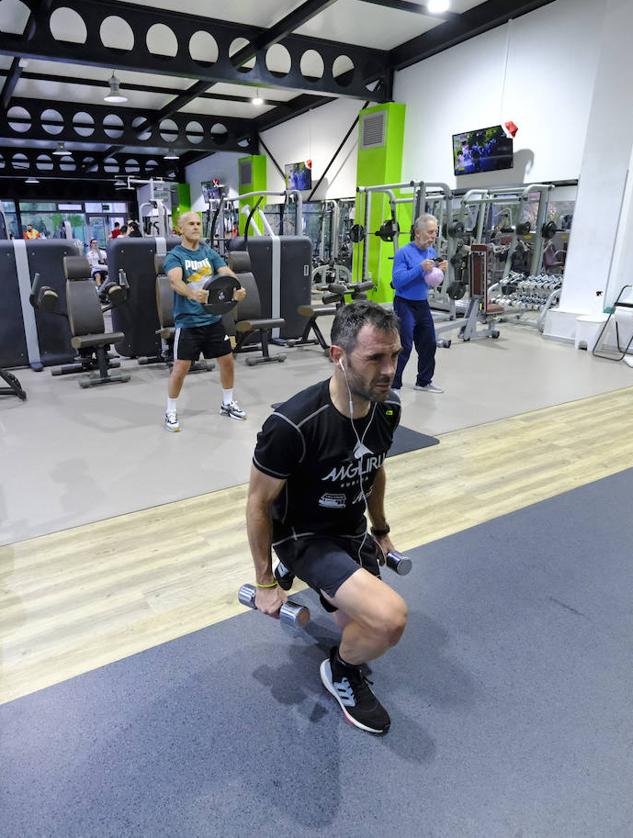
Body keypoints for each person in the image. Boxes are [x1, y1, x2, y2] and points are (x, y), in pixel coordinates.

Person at [246, 301, 407, 735]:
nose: (389, 369)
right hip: (305, 535)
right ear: (338, 356)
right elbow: (258, 504)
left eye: (394, 355)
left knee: (359, 627)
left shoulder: (385, 408)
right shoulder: (291, 425)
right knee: (389, 620)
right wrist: (263, 582)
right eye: (375, 358)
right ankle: (339, 672)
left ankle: (327, 587)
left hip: (351, 532)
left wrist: (382, 530)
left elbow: (373, 468)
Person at [163, 211, 247, 432]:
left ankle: (227, 403)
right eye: (191, 223)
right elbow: (175, 281)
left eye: (199, 223)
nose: (196, 227)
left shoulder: (208, 252)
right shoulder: (175, 256)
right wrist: (192, 294)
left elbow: (226, 272)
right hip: (188, 322)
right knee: (181, 369)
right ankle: (170, 410)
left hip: (212, 319)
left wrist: (237, 288)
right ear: (181, 228)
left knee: (227, 361)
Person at [391, 213, 447, 393]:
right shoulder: (403, 253)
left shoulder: (431, 252)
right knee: (404, 346)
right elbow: (398, 282)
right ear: (417, 233)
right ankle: (394, 384)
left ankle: (423, 381)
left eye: (435, 232)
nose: (433, 236)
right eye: (430, 232)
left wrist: (439, 271)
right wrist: (419, 268)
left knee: (429, 343)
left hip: (422, 304)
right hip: (404, 303)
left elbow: (430, 280)